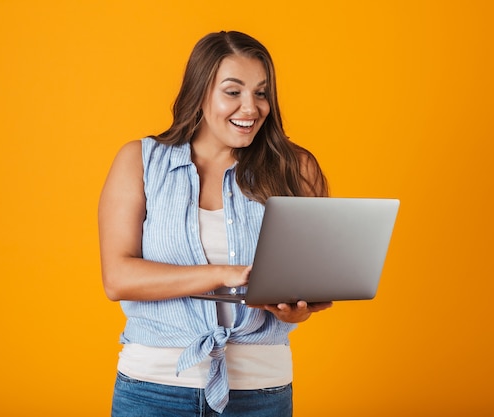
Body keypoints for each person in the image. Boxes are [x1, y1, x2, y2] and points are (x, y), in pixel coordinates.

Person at [98, 30, 333, 417]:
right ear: (200, 93)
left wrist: (298, 310)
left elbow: (308, 281)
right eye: (233, 91)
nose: (251, 107)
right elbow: (118, 277)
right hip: (153, 388)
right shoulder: (140, 162)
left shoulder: (296, 169)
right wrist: (223, 273)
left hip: (260, 389)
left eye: (261, 93)